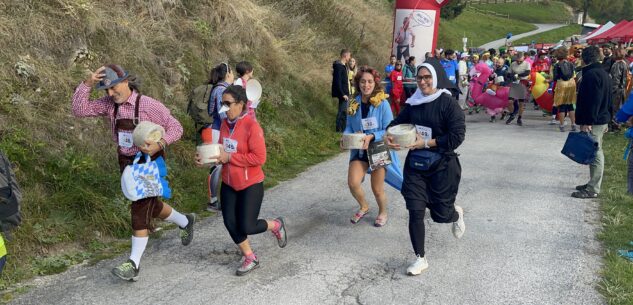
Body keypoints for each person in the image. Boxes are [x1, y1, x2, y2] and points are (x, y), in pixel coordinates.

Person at [72, 65, 195, 281]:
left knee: (139, 209)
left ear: (126, 81)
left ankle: (133, 263)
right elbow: (79, 110)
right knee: (151, 206)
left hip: (149, 163)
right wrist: (88, 84)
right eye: (106, 90)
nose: (110, 93)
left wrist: (161, 144)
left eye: (113, 87)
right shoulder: (110, 105)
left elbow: (176, 127)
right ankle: (185, 221)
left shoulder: (148, 105)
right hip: (126, 164)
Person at [385, 58, 465, 276]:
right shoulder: (413, 103)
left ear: (436, 78)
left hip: (442, 165)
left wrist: (427, 143)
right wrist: (390, 137)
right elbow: (396, 124)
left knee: (441, 215)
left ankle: (455, 214)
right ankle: (420, 258)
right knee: (415, 210)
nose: (422, 82)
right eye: (419, 77)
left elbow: (457, 136)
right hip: (416, 165)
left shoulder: (448, 104)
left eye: (427, 77)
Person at [196, 85, 287, 275]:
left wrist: (231, 158)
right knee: (230, 222)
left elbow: (259, 158)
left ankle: (276, 225)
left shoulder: (251, 126)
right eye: (222, 103)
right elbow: (221, 150)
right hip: (229, 183)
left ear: (241, 104)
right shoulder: (223, 124)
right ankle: (250, 257)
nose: (224, 107)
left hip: (250, 184)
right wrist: (205, 158)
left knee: (247, 225)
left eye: (228, 103)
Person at [343, 66, 403, 227]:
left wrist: (373, 136)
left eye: (370, 81)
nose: (366, 85)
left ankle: (383, 212)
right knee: (353, 183)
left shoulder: (382, 103)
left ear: (375, 83)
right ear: (358, 83)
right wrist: (346, 137)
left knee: (377, 189)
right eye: (363, 81)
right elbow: (349, 125)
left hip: (378, 149)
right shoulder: (353, 102)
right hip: (360, 149)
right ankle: (364, 206)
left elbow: (390, 128)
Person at [573, 46, 613, 199]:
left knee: (595, 152)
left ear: (585, 59)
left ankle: (593, 188)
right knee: (594, 151)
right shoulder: (603, 73)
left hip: (594, 119)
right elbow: (609, 99)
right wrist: (609, 119)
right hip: (601, 117)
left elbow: (593, 101)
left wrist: (587, 121)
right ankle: (592, 183)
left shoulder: (591, 75)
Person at [201, 63, 234, 212]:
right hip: (217, 131)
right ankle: (213, 201)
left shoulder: (216, 88)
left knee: (218, 165)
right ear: (227, 74)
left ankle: (215, 200)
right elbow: (222, 114)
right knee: (218, 165)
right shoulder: (222, 90)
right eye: (232, 72)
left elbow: (213, 111)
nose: (233, 76)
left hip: (212, 130)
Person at [551, 48, 577, 132]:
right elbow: (573, 74)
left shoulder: (556, 65)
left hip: (561, 84)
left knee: (561, 106)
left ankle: (562, 125)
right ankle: (573, 124)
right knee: (570, 106)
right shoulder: (570, 63)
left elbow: (555, 78)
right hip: (571, 84)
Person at [506, 52, 531, 126]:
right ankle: (512, 115)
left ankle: (519, 118)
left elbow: (527, 73)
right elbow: (508, 73)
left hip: (522, 83)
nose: (519, 62)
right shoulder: (513, 64)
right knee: (510, 101)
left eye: (521, 61)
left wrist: (518, 75)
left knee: (521, 103)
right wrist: (511, 75)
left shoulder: (527, 64)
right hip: (514, 83)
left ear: (523, 58)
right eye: (518, 61)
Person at [332, 49, 352, 132]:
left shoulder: (344, 66)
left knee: (344, 111)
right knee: (342, 111)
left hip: (346, 92)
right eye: (349, 56)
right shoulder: (339, 66)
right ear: (345, 56)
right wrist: (342, 93)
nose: (350, 58)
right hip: (343, 93)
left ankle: (343, 129)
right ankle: (339, 130)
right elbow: (338, 81)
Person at [610, 48, 629, 132]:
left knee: (615, 108)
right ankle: (618, 124)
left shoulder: (617, 64)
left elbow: (616, 78)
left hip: (617, 90)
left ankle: (615, 126)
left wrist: (612, 90)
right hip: (622, 88)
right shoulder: (625, 63)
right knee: (620, 107)